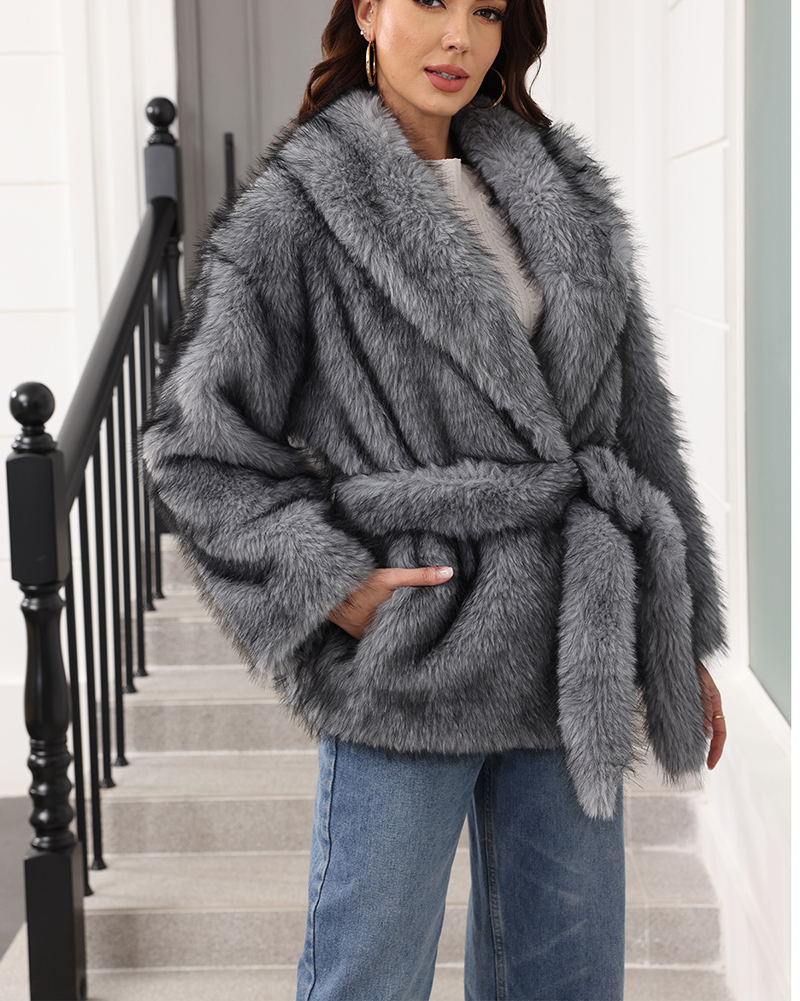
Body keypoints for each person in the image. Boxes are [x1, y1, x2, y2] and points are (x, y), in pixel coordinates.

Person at [141, 0, 729, 997]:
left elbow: (635, 430)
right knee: (367, 975)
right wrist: (331, 582)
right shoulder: (301, 206)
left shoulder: (560, 194)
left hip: (565, 650)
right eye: (429, 2)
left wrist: (679, 636)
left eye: (486, 11)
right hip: (416, 646)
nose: (458, 36)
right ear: (368, 13)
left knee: (566, 978)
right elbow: (196, 442)